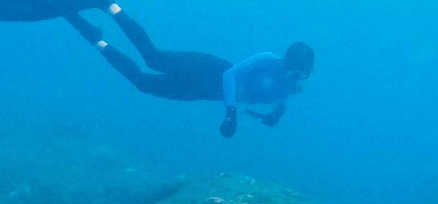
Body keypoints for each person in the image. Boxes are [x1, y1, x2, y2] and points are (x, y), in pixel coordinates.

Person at [67, 4, 313, 138]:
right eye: (292, 70)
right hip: (210, 69)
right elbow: (230, 76)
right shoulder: (268, 59)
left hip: (204, 90)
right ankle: (109, 6)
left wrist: (278, 113)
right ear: (285, 60)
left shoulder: (293, 85)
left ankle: (95, 40)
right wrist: (231, 112)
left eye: (300, 74)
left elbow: (283, 95)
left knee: (142, 83)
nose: (293, 76)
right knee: (154, 58)